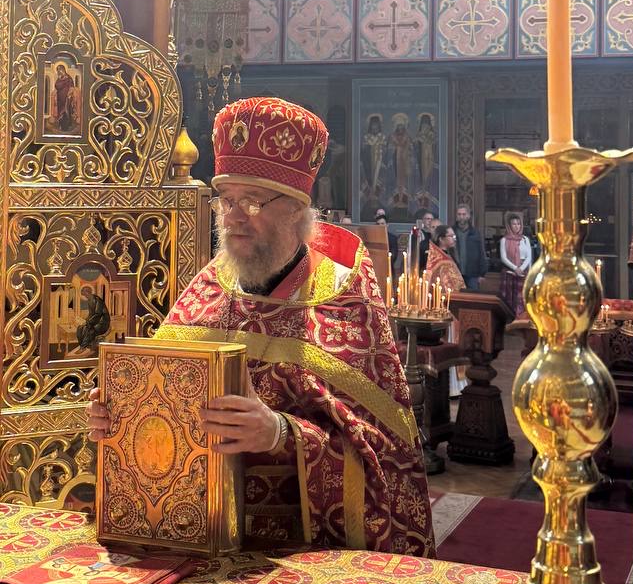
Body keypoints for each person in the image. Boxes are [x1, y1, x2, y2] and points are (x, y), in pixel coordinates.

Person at [88, 96, 434, 556]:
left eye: (251, 201)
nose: (232, 216)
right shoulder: (207, 288)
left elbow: (385, 461)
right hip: (191, 539)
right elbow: (161, 406)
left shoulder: (345, 301)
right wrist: (121, 415)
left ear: (297, 208)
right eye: (227, 200)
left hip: (299, 557)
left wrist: (281, 434)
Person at [425, 226, 466, 398]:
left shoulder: (438, 259)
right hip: (448, 309)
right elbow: (454, 287)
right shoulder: (443, 263)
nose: (454, 238)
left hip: (443, 308)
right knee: (450, 345)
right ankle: (453, 388)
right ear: (441, 239)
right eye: (451, 236)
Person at [500, 212, 532, 318]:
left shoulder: (525, 239)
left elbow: (529, 257)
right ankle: (510, 320)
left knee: (522, 298)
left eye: (518, 224)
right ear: (509, 225)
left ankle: (521, 319)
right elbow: (503, 258)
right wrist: (515, 268)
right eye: (514, 224)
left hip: (523, 272)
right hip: (509, 272)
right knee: (510, 299)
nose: (516, 226)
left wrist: (521, 269)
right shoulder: (504, 240)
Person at [453, 203, 488, 290]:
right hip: (455, 273)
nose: (461, 217)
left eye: (464, 214)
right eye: (459, 214)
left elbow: (481, 253)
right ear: (456, 216)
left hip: (472, 275)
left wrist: (482, 274)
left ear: (468, 216)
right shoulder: (451, 232)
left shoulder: (475, 233)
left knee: (473, 296)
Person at [374, 207, 400, 272]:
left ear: (387, 225)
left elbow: (393, 256)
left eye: (382, 224)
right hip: (375, 269)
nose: (380, 226)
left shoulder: (393, 238)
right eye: (378, 224)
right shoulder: (373, 237)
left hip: (388, 269)